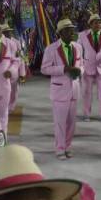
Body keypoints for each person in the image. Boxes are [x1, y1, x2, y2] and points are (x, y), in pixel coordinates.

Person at [41, 19, 84, 160]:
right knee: (60, 123)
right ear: (60, 33)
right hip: (59, 91)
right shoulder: (51, 49)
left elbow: (82, 65)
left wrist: (80, 71)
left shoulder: (78, 47)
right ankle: (59, 148)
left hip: (74, 89)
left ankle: (68, 146)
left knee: (72, 122)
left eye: (72, 29)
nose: (72, 32)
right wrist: (63, 69)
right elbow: (44, 69)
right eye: (68, 30)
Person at [78, 14, 101, 121]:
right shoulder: (82, 35)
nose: (98, 24)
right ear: (90, 24)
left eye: (99, 22)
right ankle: (86, 114)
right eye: (95, 23)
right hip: (87, 68)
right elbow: (78, 51)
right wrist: (80, 65)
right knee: (86, 92)